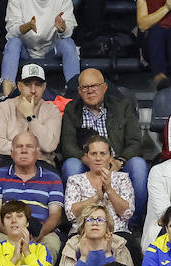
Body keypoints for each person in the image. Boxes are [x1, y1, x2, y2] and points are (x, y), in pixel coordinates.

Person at [59, 67, 151, 210]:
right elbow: (67, 145)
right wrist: (87, 160)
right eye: (85, 87)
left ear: (104, 87)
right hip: (87, 163)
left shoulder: (122, 106)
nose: (90, 91)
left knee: (138, 165)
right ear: (79, 91)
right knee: (71, 164)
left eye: (94, 86)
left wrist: (120, 161)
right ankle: (78, 219)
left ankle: (134, 221)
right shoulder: (72, 109)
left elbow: (135, 142)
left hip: (117, 161)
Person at [1, 0, 78, 95]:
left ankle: (74, 94)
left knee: (68, 43)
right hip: (25, 49)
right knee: (13, 43)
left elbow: (68, 31)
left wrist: (62, 28)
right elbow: (11, 30)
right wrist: (27, 26)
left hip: (51, 49)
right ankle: (6, 95)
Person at [0, 131, 65, 258]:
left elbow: (56, 215)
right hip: (5, 230)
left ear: (37, 153)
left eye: (29, 146)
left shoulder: (52, 178)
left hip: (43, 232)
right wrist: (11, 233)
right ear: (11, 153)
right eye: (19, 146)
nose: (24, 150)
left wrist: (39, 234)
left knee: (51, 245)